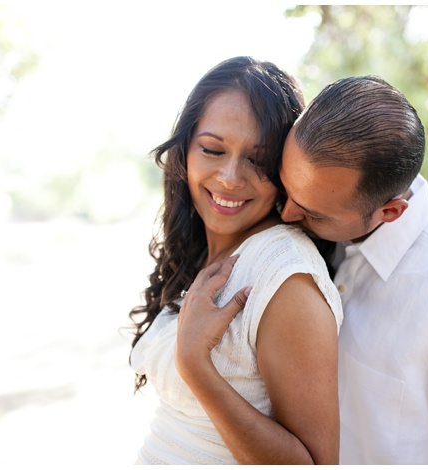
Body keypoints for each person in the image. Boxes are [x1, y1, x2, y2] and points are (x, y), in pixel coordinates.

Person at [195, 75, 428, 464]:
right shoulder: (306, 240)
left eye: (313, 213)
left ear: (389, 212)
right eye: (287, 190)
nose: (286, 214)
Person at [127, 56, 343, 465]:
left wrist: (196, 365)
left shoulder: (285, 275)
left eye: (258, 160)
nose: (229, 177)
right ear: (186, 150)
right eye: (212, 149)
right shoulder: (207, 249)